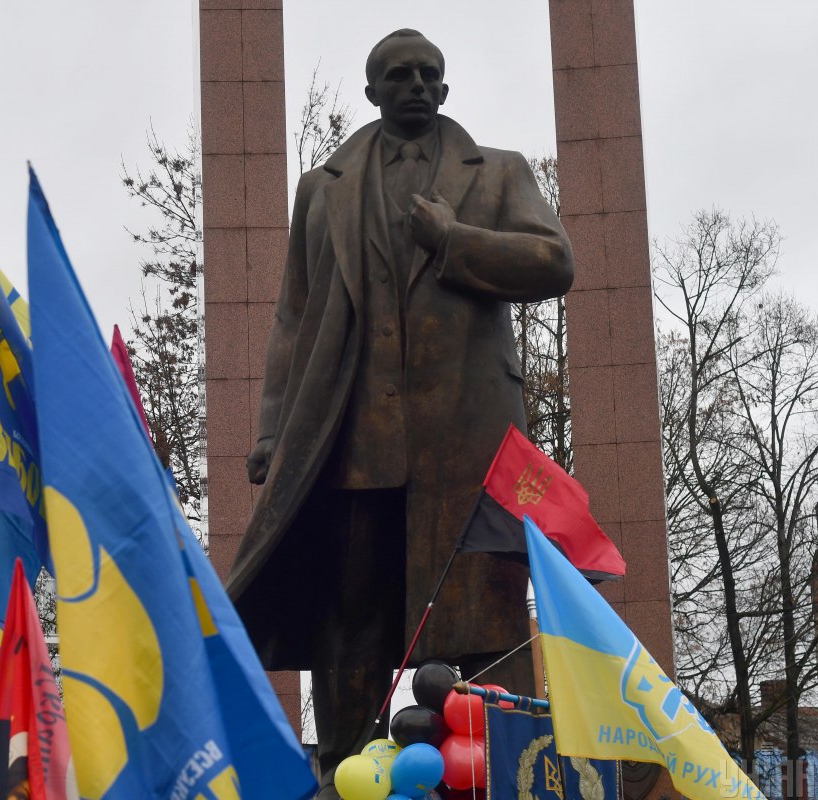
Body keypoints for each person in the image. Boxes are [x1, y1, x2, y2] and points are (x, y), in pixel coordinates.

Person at [225, 28, 574, 794]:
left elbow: (555, 261)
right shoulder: (323, 189)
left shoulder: (498, 173)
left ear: (444, 89)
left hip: (469, 438)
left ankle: (497, 772)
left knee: (481, 615)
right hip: (354, 435)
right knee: (349, 615)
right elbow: (293, 318)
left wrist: (455, 241)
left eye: (428, 74)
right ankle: (343, 770)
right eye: (399, 74)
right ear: (372, 91)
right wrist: (274, 430)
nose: (415, 84)